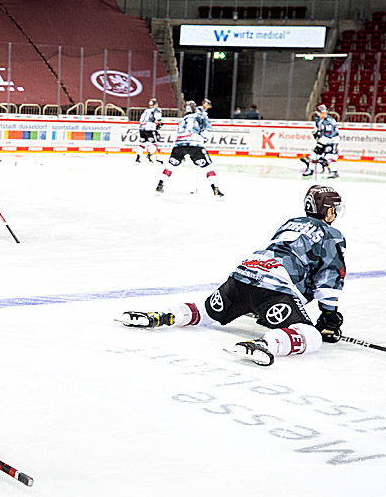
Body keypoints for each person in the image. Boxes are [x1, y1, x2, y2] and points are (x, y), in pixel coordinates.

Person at [119, 185, 346, 367]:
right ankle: (267, 345)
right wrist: (329, 318)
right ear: (328, 210)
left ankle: (164, 315)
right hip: (273, 289)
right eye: (334, 209)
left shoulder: (291, 223)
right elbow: (329, 278)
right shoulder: (332, 235)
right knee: (312, 336)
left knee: (206, 311)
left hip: (242, 275)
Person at [155, 98, 224, 198]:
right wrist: (201, 140)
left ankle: (160, 185)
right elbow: (207, 129)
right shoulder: (200, 115)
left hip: (179, 145)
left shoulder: (182, 120)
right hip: (195, 144)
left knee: (170, 166)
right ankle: (215, 189)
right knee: (208, 167)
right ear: (195, 109)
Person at [301, 104, 340, 179]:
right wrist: (316, 135)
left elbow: (331, 133)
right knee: (314, 155)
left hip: (332, 140)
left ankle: (334, 172)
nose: (323, 114)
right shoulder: (317, 119)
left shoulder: (329, 121)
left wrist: (323, 140)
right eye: (322, 113)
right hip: (323, 140)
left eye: (325, 112)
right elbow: (318, 130)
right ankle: (310, 170)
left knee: (330, 156)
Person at [135, 98, 163, 164]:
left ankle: (137, 159)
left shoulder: (146, 110)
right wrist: (159, 125)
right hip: (150, 127)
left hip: (142, 128)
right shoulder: (156, 109)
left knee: (143, 143)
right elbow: (158, 119)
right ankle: (148, 157)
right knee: (154, 143)